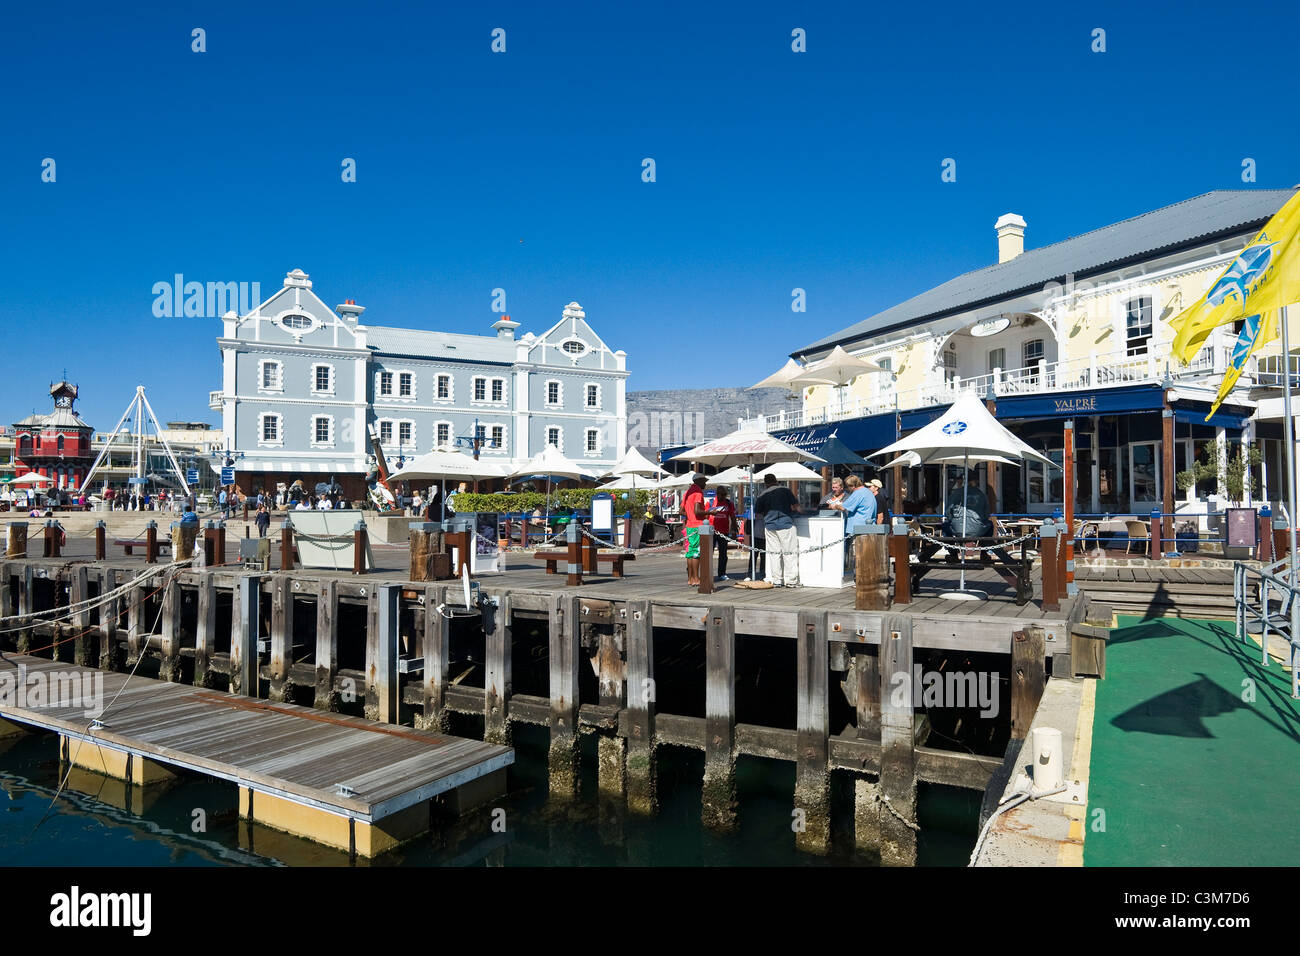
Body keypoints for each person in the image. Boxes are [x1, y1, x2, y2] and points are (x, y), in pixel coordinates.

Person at [756, 473, 801, 587]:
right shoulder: (785, 490)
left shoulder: (762, 495)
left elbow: (758, 513)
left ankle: (777, 580)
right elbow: (796, 506)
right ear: (776, 480)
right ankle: (791, 581)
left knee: (774, 554)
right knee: (789, 553)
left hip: (770, 526)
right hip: (786, 524)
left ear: (765, 483)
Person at [681, 474, 708, 586]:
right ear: (699, 481)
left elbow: (681, 511)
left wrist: (690, 515)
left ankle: (691, 579)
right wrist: (710, 512)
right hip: (697, 525)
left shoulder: (687, 492)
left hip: (689, 526)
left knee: (690, 552)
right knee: (697, 553)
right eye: (704, 481)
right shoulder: (697, 492)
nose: (705, 483)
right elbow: (697, 511)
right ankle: (696, 578)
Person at [709, 485, 738, 581]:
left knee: (723, 554)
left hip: (724, 531)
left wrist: (734, 530)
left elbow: (733, 517)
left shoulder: (729, 504)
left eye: (725, 494)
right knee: (709, 553)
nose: (723, 496)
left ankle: (722, 573)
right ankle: (708, 573)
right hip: (711, 531)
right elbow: (704, 515)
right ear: (717, 493)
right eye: (721, 494)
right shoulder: (711, 502)